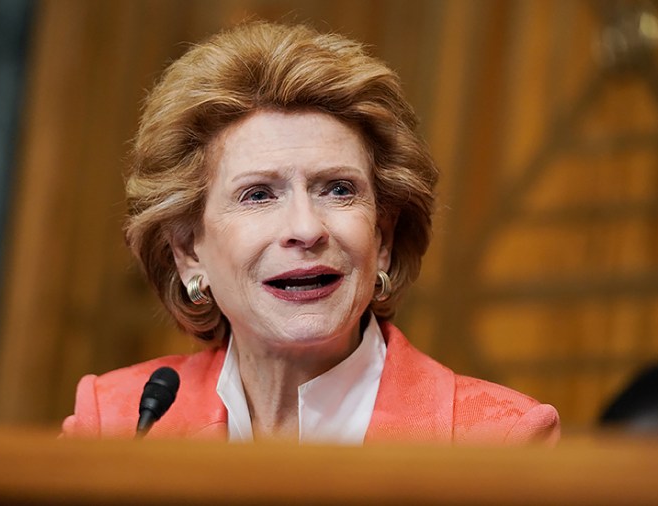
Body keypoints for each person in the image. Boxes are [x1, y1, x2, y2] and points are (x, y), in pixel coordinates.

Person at [62, 21, 560, 445]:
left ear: (383, 239)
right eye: (258, 195)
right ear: (188, 251)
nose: (305, 228)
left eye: (338, 189)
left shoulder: (501, 443)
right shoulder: (119, 425)